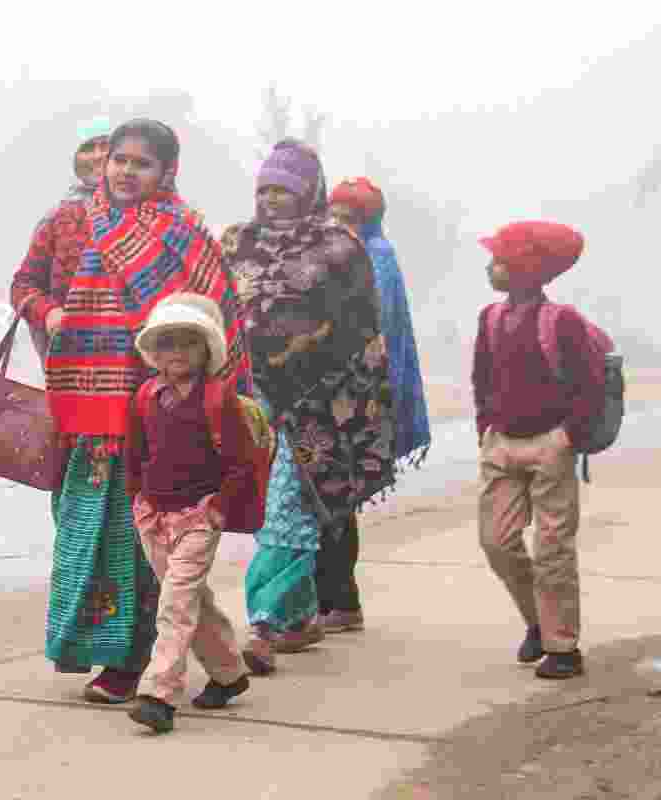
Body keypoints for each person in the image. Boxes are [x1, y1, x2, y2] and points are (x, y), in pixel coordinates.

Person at [38, 118, 252, 704]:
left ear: (167, 172)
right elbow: (53, 294)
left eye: (143, 163)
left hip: (159, 418)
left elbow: (215, 319)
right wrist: (51, 314)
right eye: (120, 160)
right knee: (91, 539)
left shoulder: (183, 232)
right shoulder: (85, 220)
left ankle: (131, 665)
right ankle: (193, 664)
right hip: (91, 417)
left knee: (145, 552)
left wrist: (211, 406)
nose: (127, 172)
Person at [225, 139, 395, 674]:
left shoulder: (341, 249)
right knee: (266, 515)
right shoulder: (234, 242)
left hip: (315, 410)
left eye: (284, 190)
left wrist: (305, 375)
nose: (272, 200)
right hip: (245, 406)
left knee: (287, 515)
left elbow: (362, 330)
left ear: (309, 193)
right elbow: (215, 312)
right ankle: (301, 618)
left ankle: (264, 624)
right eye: (265, 190)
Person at [472, 220, 601, 680]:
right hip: (502, 444)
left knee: (553, 550)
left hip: (551, 444)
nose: (492, 269)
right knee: (497, 542)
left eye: (501, 262)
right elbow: (481, 379)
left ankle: (563, 647)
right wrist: (485, 429)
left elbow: (588, 385)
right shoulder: (489, 318)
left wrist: (569, 436)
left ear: (526, 270)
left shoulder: (561, 321)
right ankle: (538, 622)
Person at [124, 293, 258, 733]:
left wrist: (217, 509)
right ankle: (229, 673)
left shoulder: (220, 400)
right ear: (153, 351)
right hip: (153, 516)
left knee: (175, 604)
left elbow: (241, 463)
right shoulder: (145, 397)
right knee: (190, 600)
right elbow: (135, 456)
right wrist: (136, 499)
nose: (177, 353)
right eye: (167, 343)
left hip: (199, 518)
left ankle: (159, 693)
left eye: (187, 343)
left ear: (207, 350)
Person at [322, 176, 432, 632]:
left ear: (369, 222)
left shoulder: (377, 257)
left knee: (336, 501)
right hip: (334, 394)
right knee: (324, 500)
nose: (340, 226)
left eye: (350, 219)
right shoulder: (338, 254)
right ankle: (330, 600)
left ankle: (340, 602)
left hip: (361, 395)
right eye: (334, 216)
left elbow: (372, 322)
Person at [11, 117, 112, 360]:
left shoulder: (152, 212)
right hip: (72, 359)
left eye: (105, 146)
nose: (98, 156)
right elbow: (23, 285)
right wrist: (48, 313)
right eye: (88, 148)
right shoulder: (59, 217)